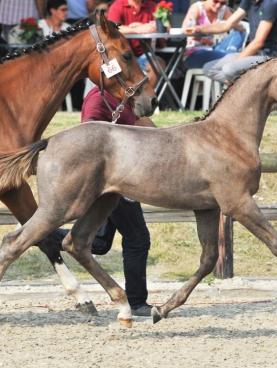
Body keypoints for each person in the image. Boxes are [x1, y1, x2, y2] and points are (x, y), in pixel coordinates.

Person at [81, 86, 154, 317]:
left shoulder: (119, 98)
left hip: (121, 176)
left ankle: (44, 237)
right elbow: (88, 134)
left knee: (100, 243)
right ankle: (137, 302)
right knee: (138, 238)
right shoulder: (99, 99)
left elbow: (141, 124)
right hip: (112, 179)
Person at [201, 0, 277, 84]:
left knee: (229, 69)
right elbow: (226, 25)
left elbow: (258, 42)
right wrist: (200, 29)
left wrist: (237, 60)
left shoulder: (270, 4)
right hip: (251, 53)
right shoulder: (248, 2)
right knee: (209, 68)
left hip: (266, 55)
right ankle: (241, 87)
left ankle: (243, 90)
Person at [107, 0, 160, 88]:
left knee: (157, 66)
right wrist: (137, 30)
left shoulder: (152, 5)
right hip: (121, 56)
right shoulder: (118, 5)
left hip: (145, 55)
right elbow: (111, 28)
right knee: (109, 70)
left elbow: (162, 25)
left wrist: (139, 27)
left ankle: (145, 99)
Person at [182, 0, 245, 68]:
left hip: (214, 48)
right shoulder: (197, 8)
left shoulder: (223, 9)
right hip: (195, 52)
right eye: (215, 1)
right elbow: (185, 30)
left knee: (239, 33)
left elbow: (241, 28)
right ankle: (230, 57)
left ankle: (229, 55)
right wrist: (199, 30)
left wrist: (225, 25)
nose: (218, 5)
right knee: (229, 57)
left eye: (223, 3)